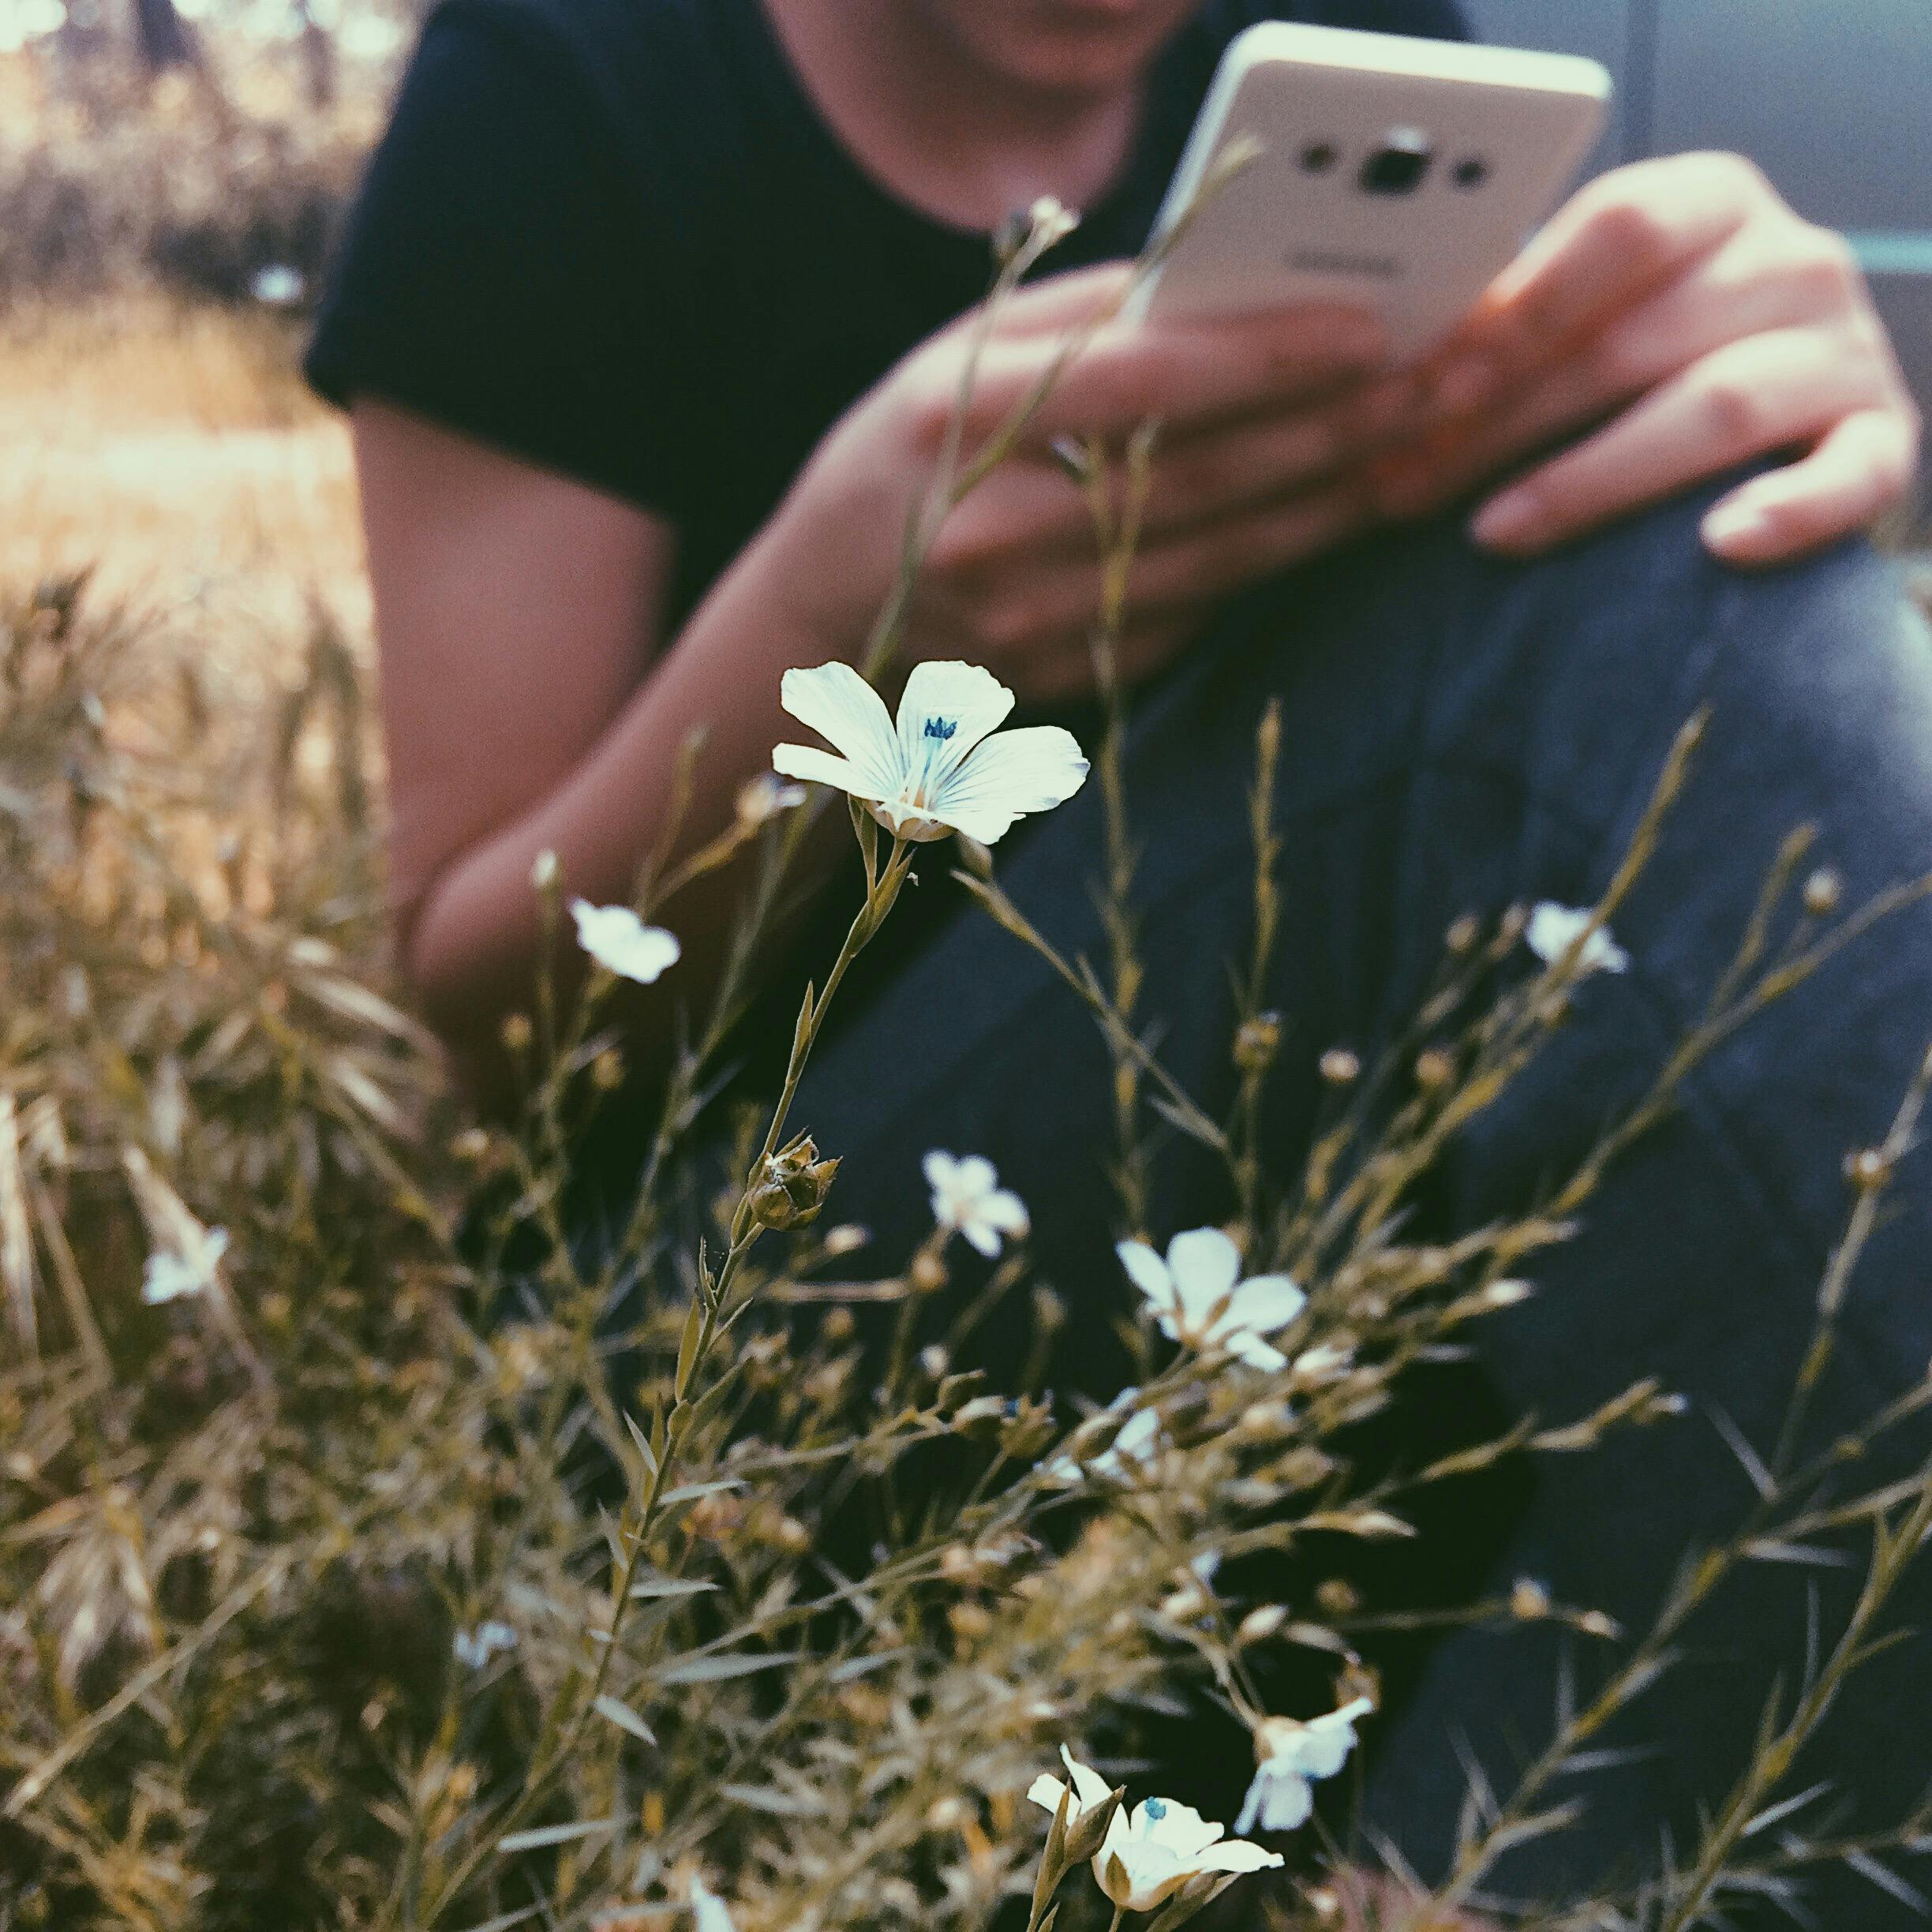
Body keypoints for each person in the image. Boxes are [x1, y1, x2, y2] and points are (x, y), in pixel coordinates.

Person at [305, 0, 1932, 1915]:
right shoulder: (570, 76)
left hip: (1274, 1243)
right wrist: (843, 612)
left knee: (1693, 556)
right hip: (720, 1385)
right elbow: (489, 1024)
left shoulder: (1358, 38)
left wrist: (1750, 426)